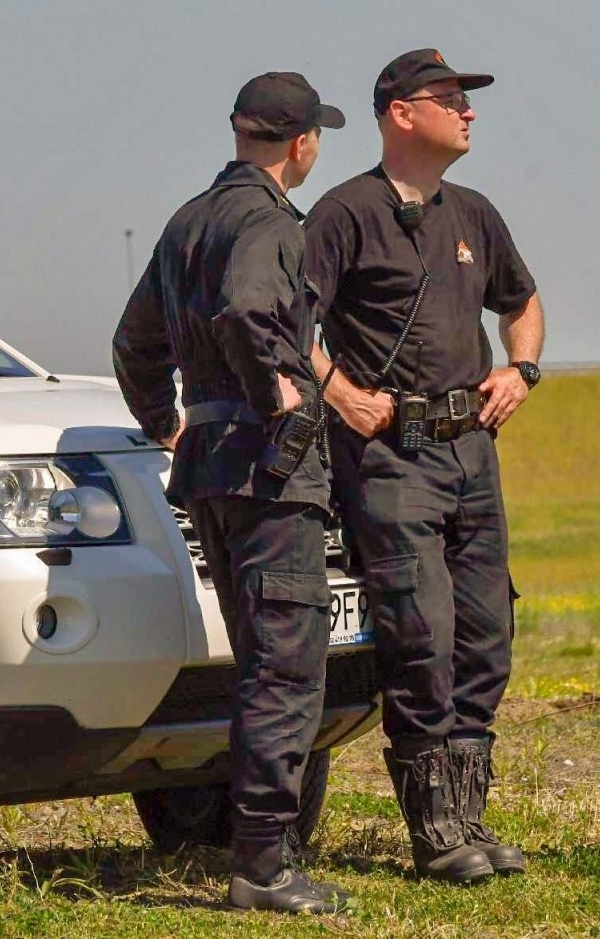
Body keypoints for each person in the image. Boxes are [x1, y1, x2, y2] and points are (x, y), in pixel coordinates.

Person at [112, 71, 350, 914]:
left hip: (211, 465)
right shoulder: (265, 219)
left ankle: (257, 849)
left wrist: (167, 424)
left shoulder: (187, 221)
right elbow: (251, 313)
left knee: (259, 662)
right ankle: (264, 864)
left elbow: (134, 342)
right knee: (287, 668)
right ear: (302, 143)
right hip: (266, 471)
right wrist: (277, 395)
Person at [303, 48, 543, 884]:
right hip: (390, 455)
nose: (468, 112)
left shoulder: (474, 212)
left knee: (487, 636)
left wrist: (521, 369)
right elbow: (287, 322)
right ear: (402, 113)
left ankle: (468, 817)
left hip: (473, 449)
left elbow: (523, 301)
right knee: (421, 636)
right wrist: (343, 396)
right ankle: (435, 833)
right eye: (450, 99)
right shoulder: (343, 213)